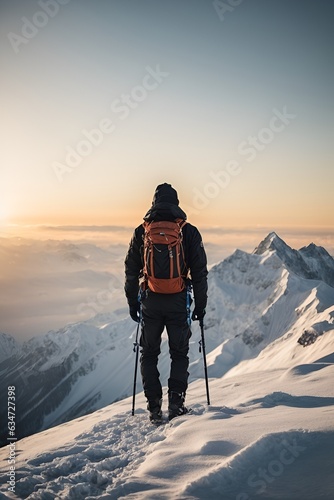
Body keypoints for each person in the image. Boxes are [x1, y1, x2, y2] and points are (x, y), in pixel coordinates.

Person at [124, 183, 208, 422]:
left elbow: (131, 270)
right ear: (177, 204)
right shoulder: (188, 231)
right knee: (179, 353)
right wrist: (200, 306)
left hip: (150, 300)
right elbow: (200, 272)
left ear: (153, 203)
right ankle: (176, 405)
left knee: (149, 354)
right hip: (178, 301)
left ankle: (153, 406)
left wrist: (133, 302)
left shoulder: (142, 231)